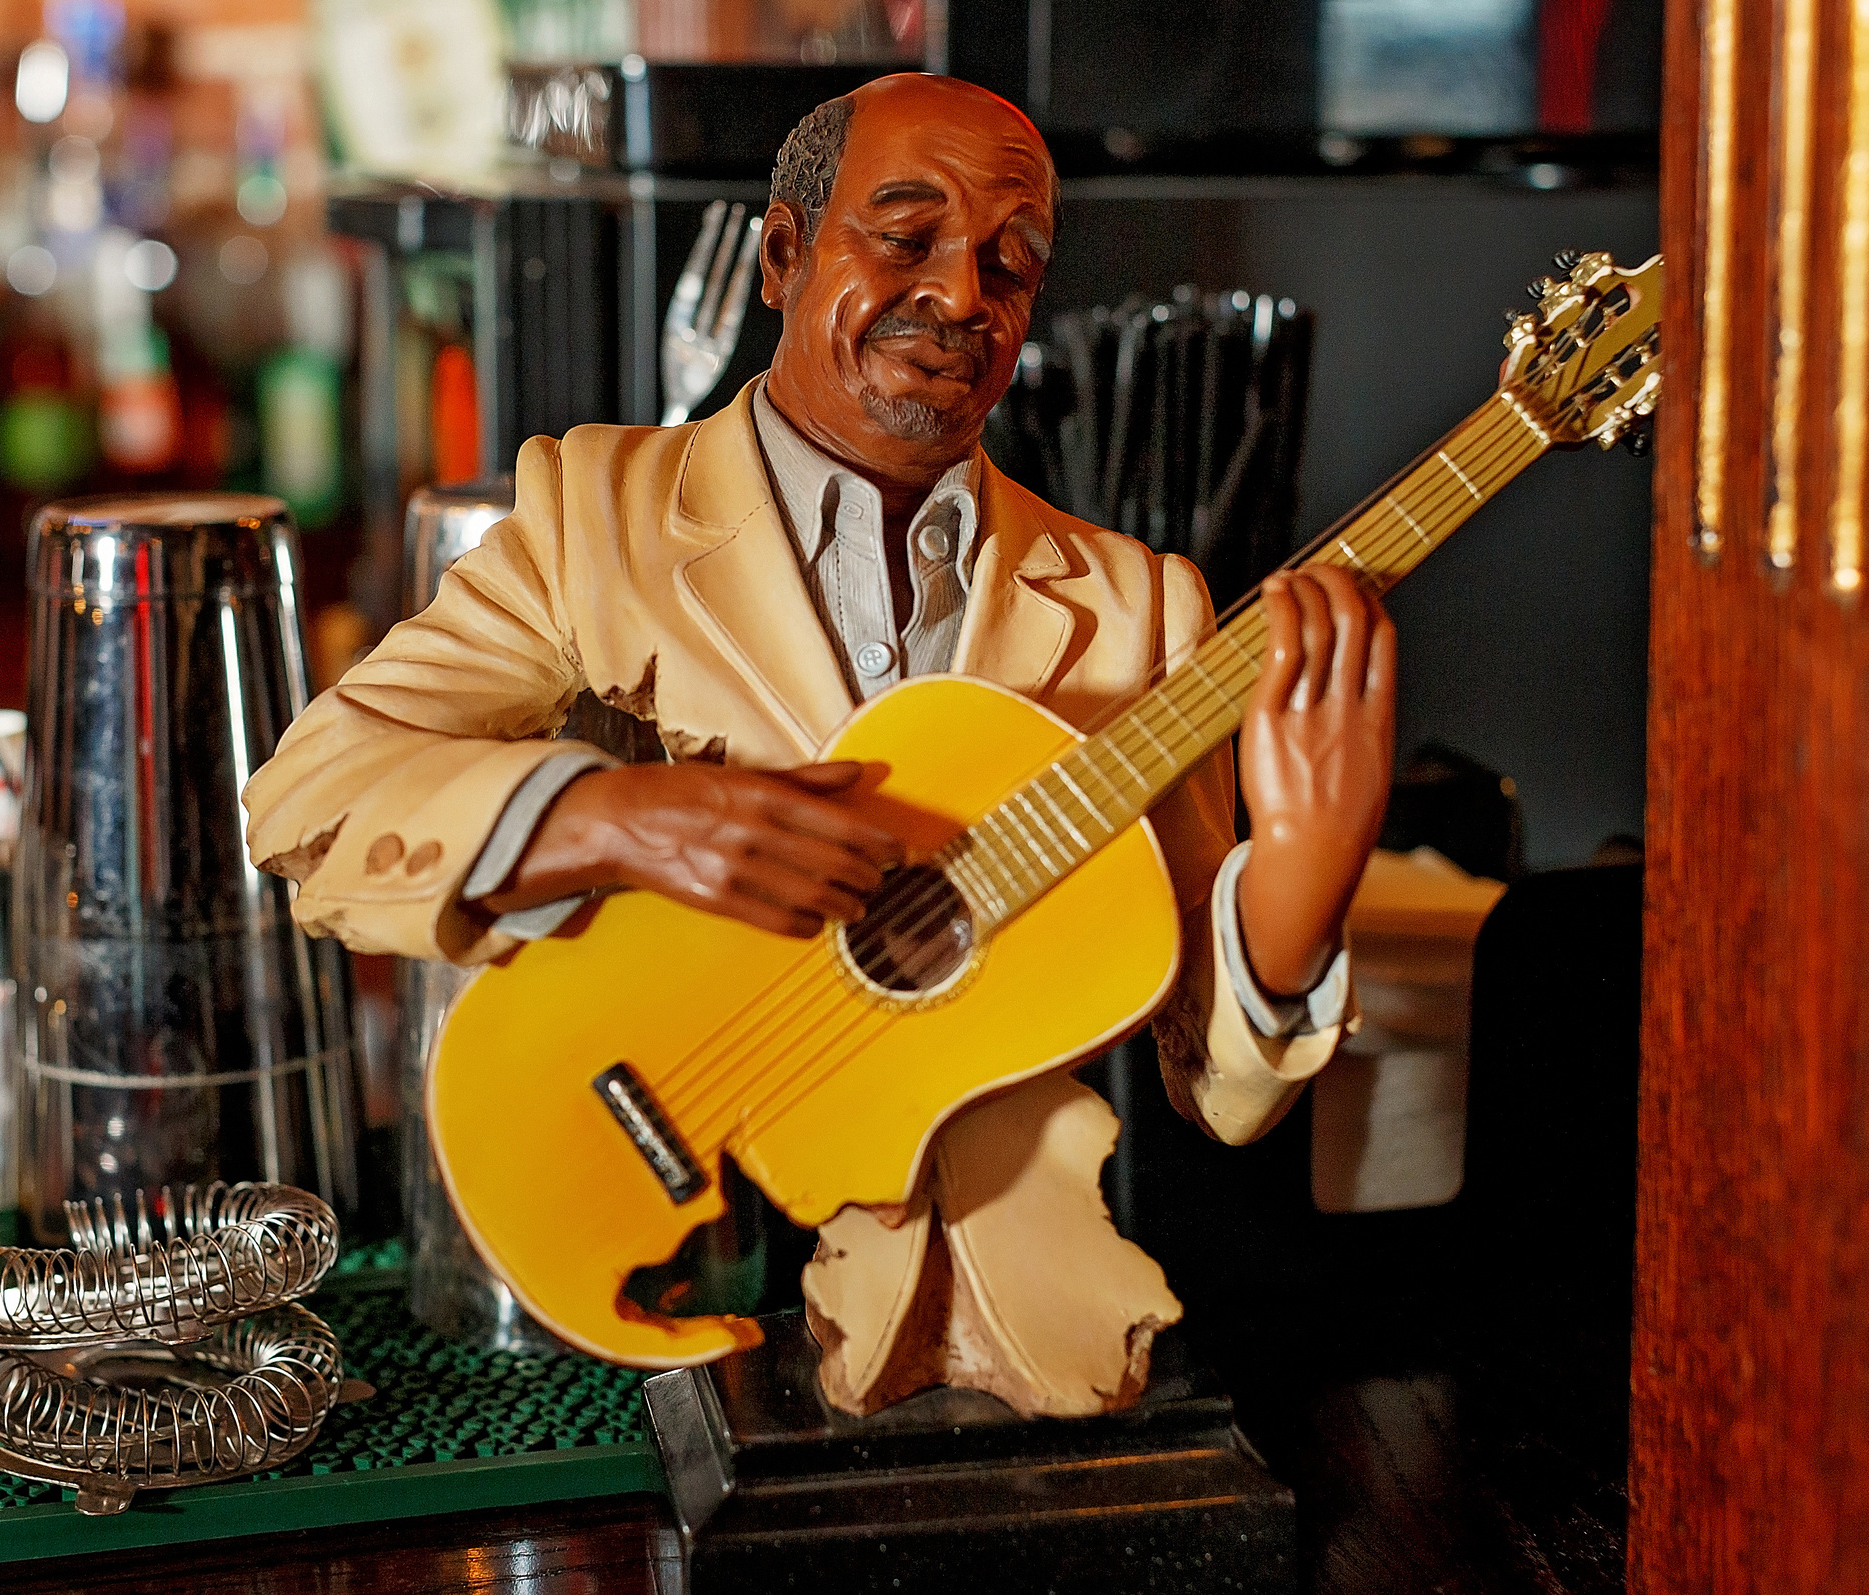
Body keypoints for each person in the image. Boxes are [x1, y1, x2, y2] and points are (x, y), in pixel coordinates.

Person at [244, 73, 1393, 1415]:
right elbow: (310, 801)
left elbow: (1215, 1083)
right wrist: (614, 817)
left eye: (1011, 265)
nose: (963, 296)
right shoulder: (597, 516)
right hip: (699, 1243)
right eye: (904, 239)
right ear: (783, 255)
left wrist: (1300, 887)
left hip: (1028, 1327)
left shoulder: (1140, 607)